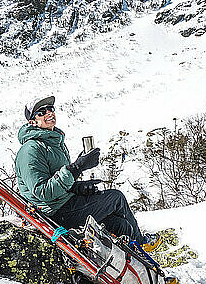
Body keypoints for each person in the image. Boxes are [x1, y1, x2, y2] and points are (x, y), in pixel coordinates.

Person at [15, 95, 161, 252]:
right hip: (53, 214)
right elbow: (42, 192)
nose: (49, 113)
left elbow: (57, 180)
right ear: (32, 122)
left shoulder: (54, 143)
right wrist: (76, 168)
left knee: (121, 225)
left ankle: (139, 265)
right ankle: (141, 243)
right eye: (41, 112)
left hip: (65, 204)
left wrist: (78, 187)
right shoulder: (31, 150)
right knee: (116, 198)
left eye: (51, 109)